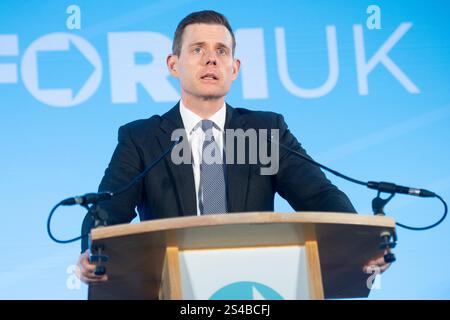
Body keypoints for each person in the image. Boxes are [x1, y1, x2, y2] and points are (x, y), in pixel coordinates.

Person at [77, 10, 390, 284]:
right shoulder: (142, 138)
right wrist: (90, 253)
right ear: (174, 65)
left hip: (256, 286)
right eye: (198, 49)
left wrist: (358, 244)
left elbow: (319, 194)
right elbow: (107, 211)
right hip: (170, 284)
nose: (212, 58)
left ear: (234, 68)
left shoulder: (266, 130)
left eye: (221, 51)